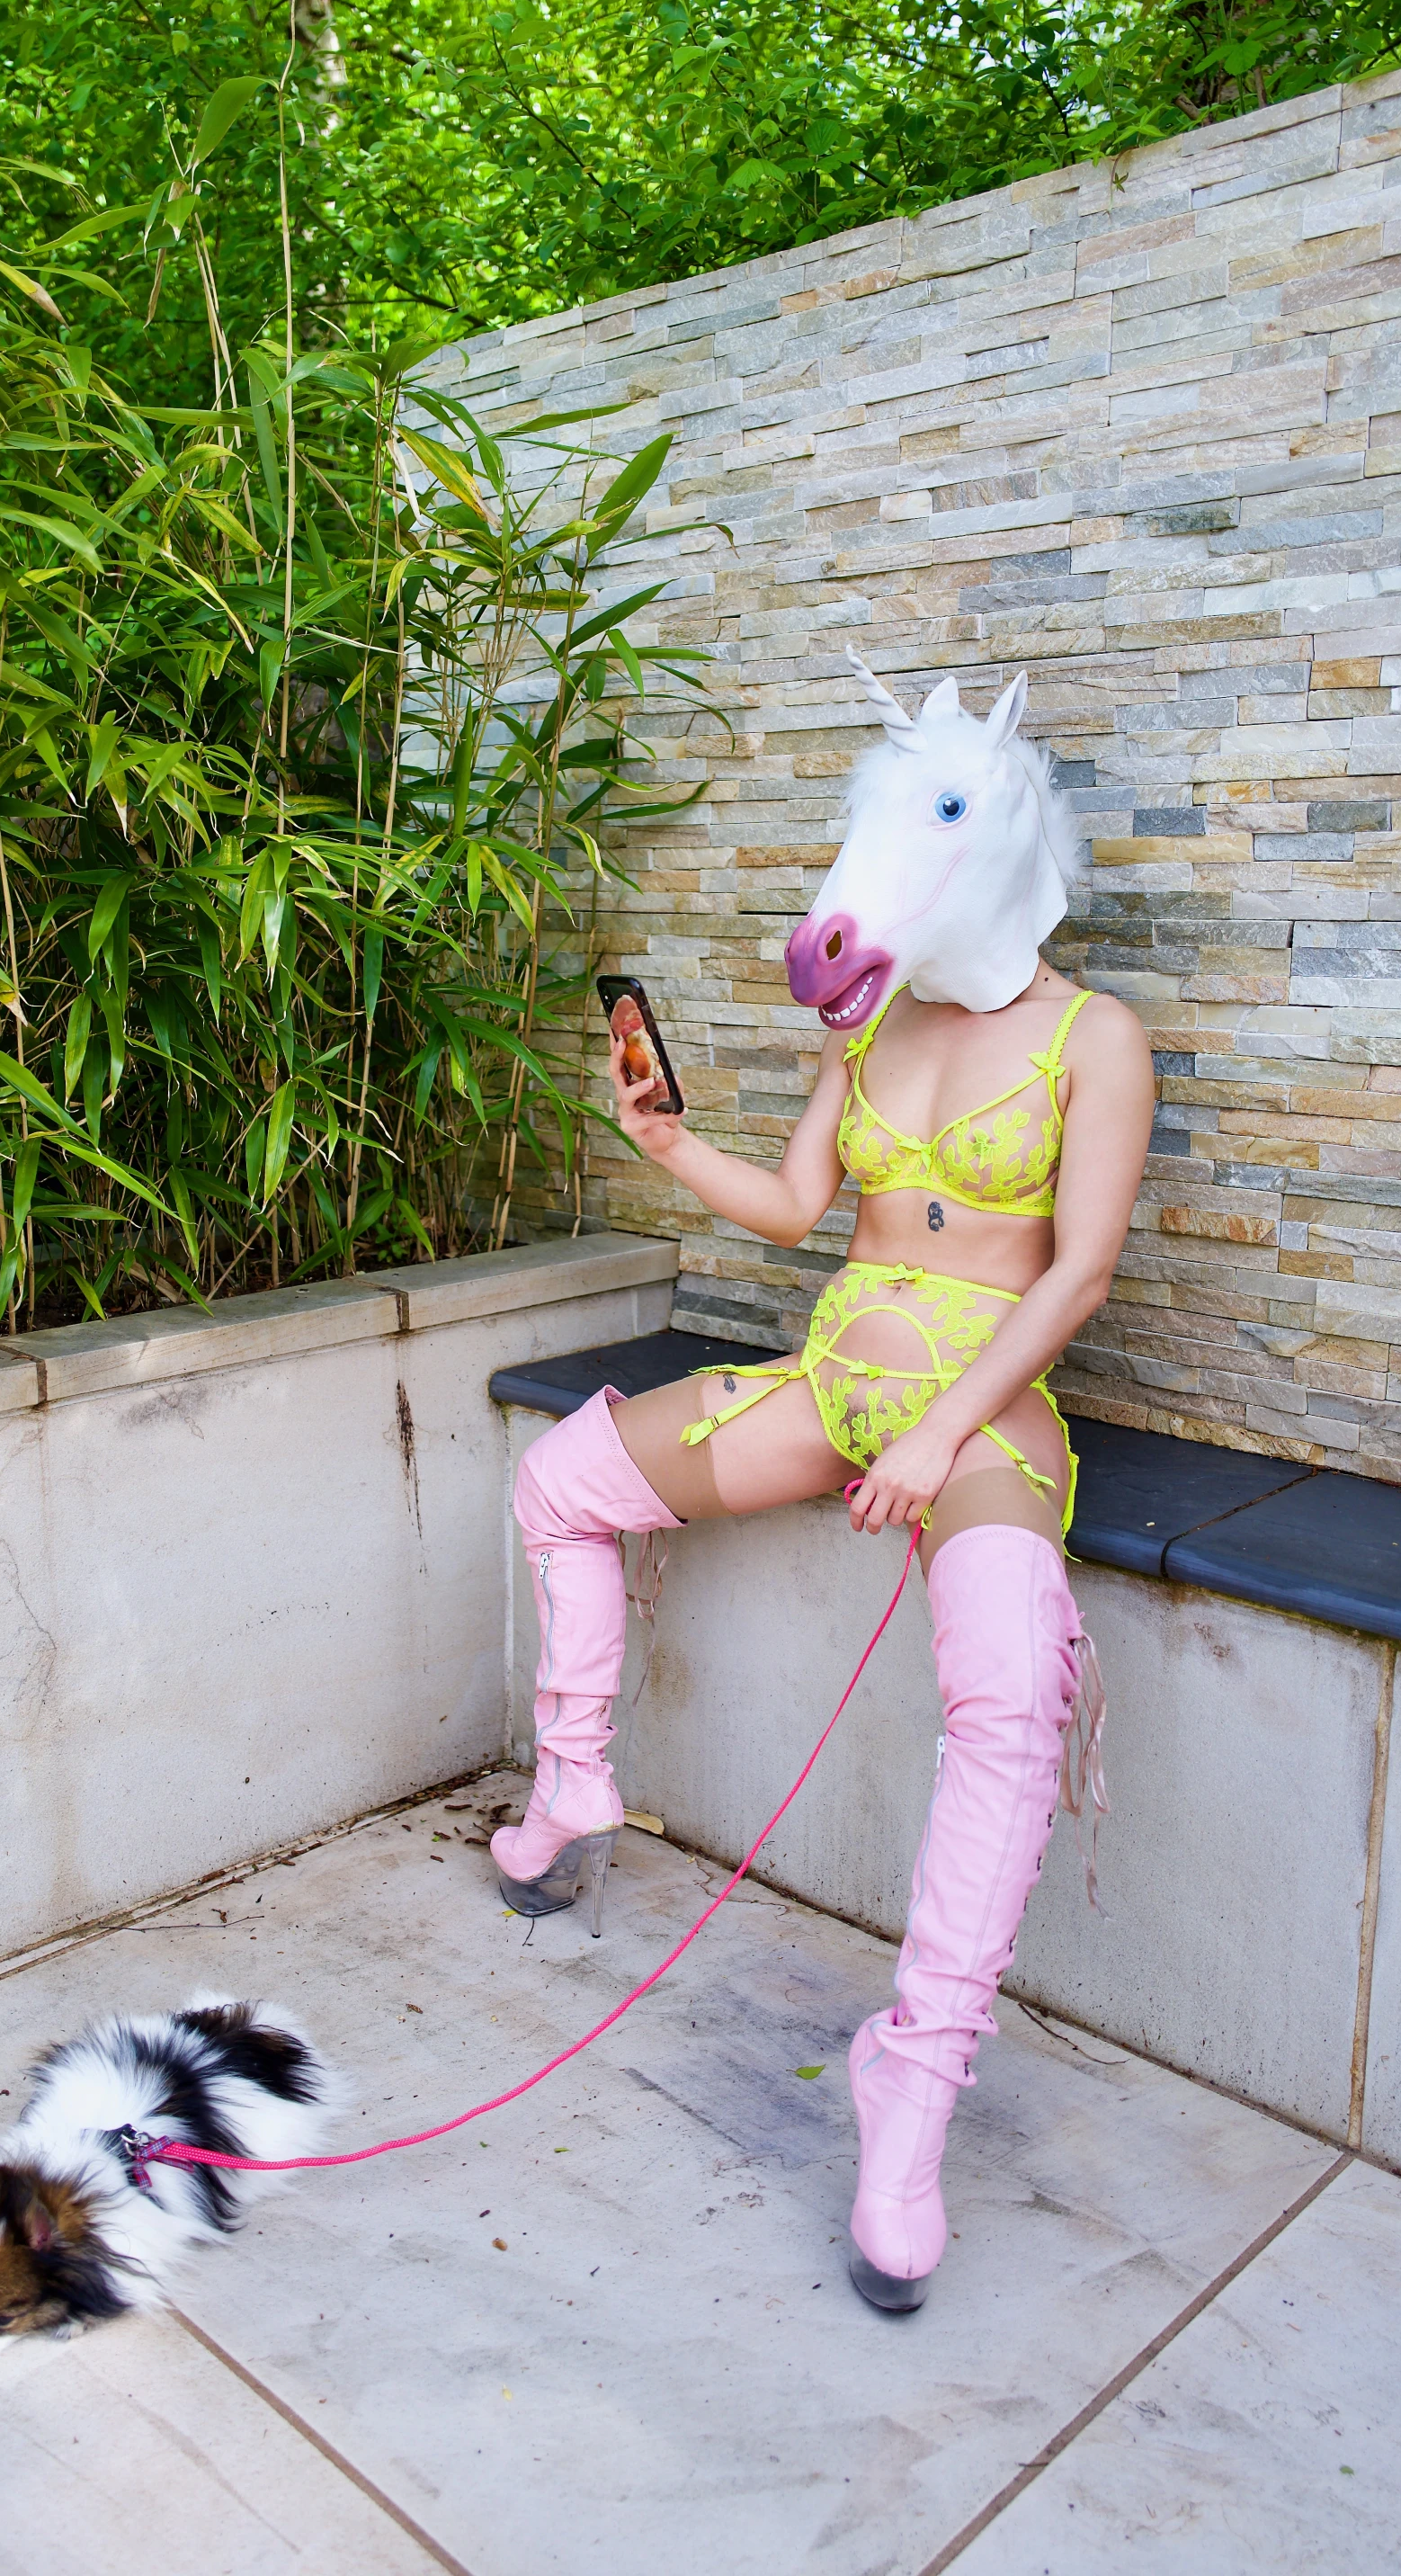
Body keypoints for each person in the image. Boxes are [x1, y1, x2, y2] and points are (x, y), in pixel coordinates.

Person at [487, 662, 1156, 2312]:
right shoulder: (870, 1028)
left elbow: (1077, 1276)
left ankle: (912, 2076)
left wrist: (941, 1439)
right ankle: (574, 1783)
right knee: (563, 1479)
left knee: (1007, 1686)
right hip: (834, 1386)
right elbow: (796, 1208)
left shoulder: (1094, 1036)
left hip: (982, 1421)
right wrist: (662, 1147)